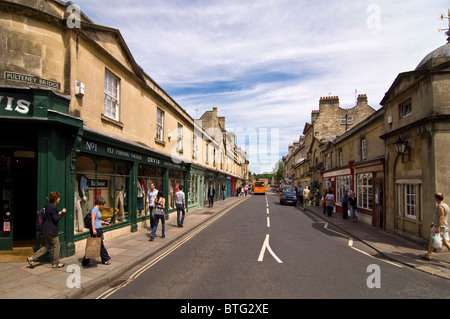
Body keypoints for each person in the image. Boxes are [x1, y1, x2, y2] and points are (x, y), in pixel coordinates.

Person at [27, 191, 66, 269]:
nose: (59, 199)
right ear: (56, 199)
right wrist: (63, 213)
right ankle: (56, 263)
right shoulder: (53, 207)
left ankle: (32, 258)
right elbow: (56, 219)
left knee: (46, 246)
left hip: (46, 230)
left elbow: (51, 216)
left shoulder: (47, 206)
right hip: (52, 231)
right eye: (58, 197)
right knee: (56, 246)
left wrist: (59, 212)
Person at [420, 193, 450, 260]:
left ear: (436, 198)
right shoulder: (446, 205)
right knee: (439, 241)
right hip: (444, 226)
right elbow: (441, 217)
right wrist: (434, 223)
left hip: (440, 227)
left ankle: (428, 254)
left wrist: (438, 227)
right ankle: (428, 254)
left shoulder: (440, 206)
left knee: (436, 240)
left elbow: (441, 217)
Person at [82, 196, 111, 266]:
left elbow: (97, 220)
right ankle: (105, 259)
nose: (103, 206)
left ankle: (85, 261)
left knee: (94, 245)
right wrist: (94, 229)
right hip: (96, 229)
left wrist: (104, 222)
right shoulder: (95, 209)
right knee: (99, 245)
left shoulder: (97, 210)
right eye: (103, 205)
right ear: (100, 204)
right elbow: (92, 219)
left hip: (98, 228)